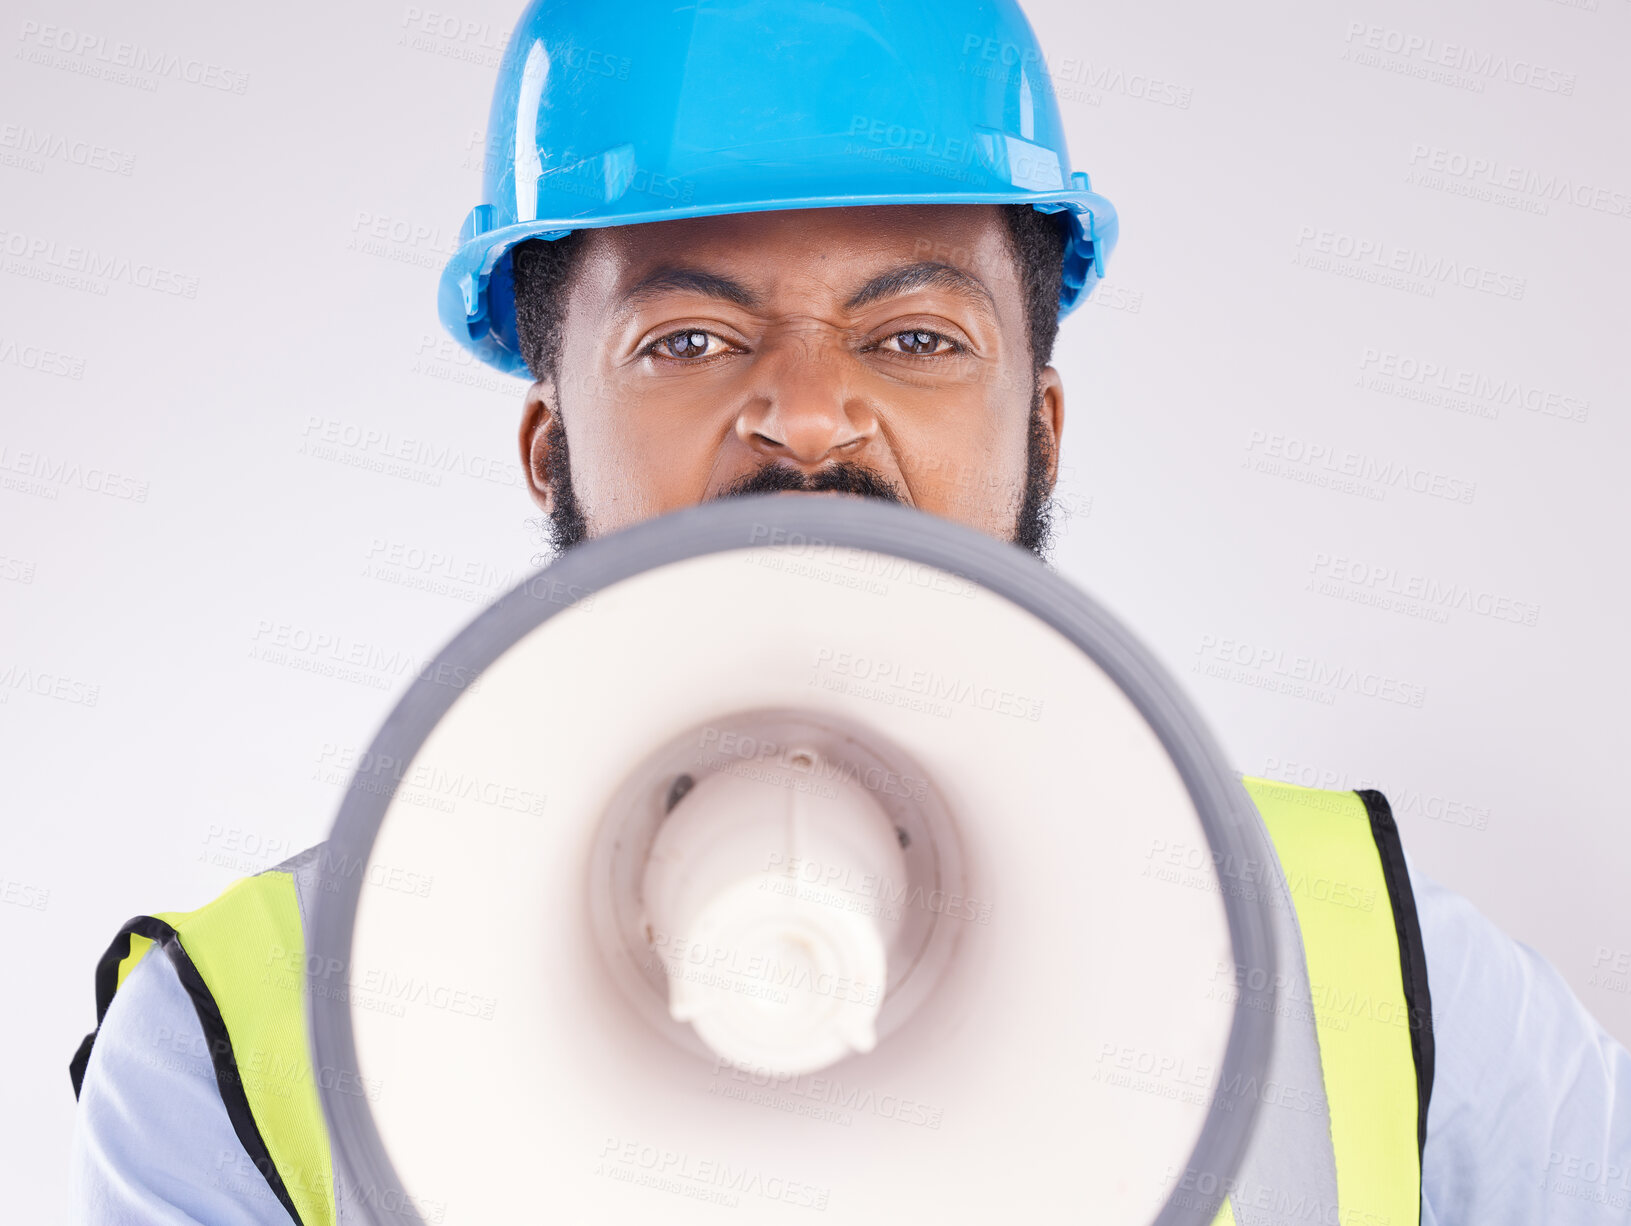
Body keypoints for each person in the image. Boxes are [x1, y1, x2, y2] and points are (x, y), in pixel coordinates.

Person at [68, 1, 1631, 1223]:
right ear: (548, 438)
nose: (809, 417)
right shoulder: (227, 1043)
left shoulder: (1399, 974)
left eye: (918, 335)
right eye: (687, 339)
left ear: (1044, 426)